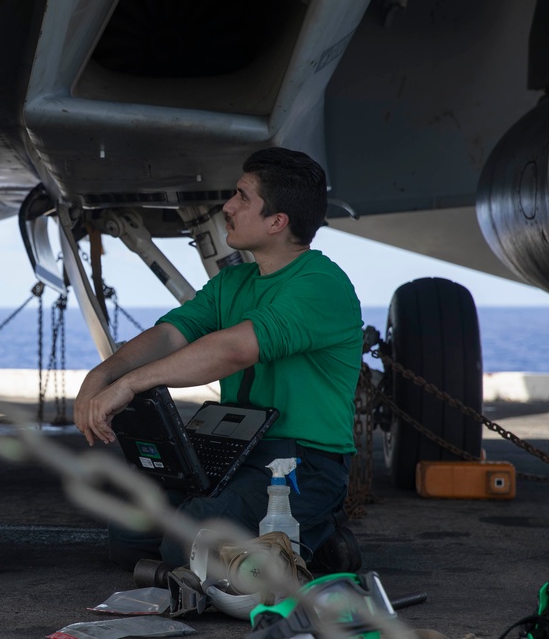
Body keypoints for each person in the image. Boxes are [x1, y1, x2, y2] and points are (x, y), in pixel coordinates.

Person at [73, 147, 363, 573]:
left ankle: (318, 534)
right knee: (130, 535)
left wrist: (132, 384)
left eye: (243, 198)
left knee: (188, 543)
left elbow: (234, 349)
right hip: (237, 449)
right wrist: (103, 375)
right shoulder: (232, 282)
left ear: (277, 222)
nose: (227, 206)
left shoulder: (321, 284)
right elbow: (171, 333)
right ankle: (266, 542)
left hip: (304, 460)